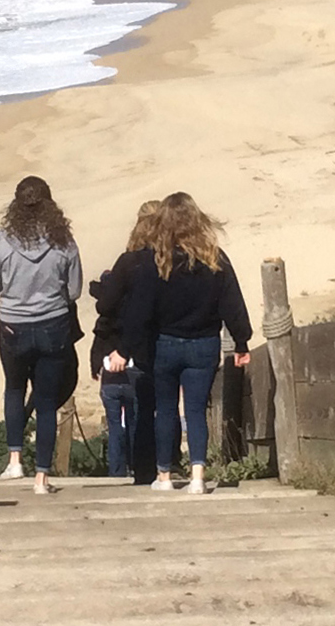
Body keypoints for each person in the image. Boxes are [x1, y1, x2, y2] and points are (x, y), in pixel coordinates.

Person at [108, 191, 252, 494]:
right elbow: (233, 303)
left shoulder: (156, 260)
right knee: (197, 410)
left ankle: (164, 476)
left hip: (165, 345)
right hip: (204, 344)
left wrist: (125, 348)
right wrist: (241, 342)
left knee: (166, 409)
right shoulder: (216, 258)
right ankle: (198, 475)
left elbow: (139, 311)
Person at [0, 176, 82, 495]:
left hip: (13, 325)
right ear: (50, 205)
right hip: (53, 325)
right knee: (47, 401)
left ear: (15, 206)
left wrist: (14, 286)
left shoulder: (0, 241)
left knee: (14, 389)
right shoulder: (64, 242)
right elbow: (75, 291)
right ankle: (42, 478)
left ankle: (14, 461)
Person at [89, 201, 161, 481]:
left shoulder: (129, 261)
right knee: (160, 407)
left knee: (140, 413)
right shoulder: (176, 259)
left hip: (129, 349)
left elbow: (105, 307)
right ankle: (168, 465)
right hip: (163, 340)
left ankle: (141, 471)